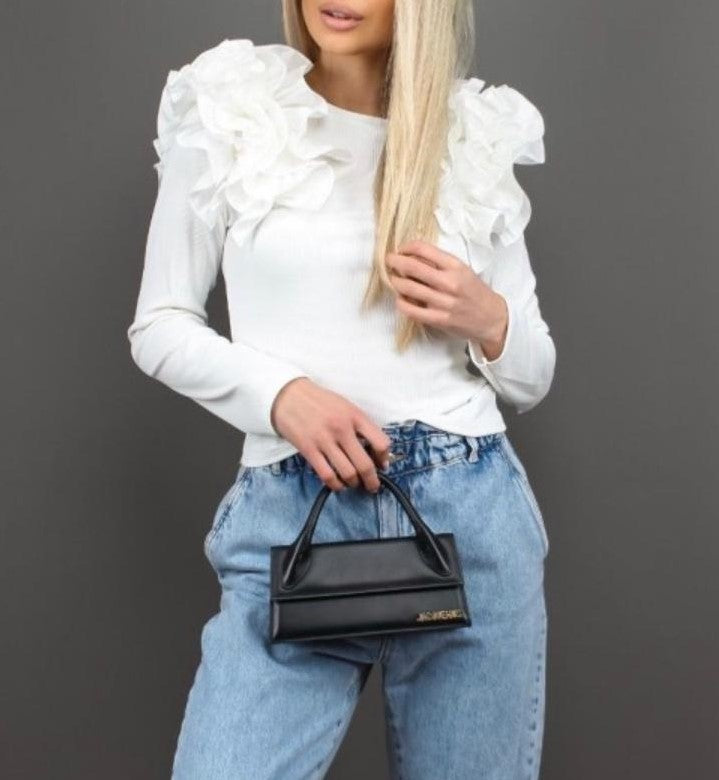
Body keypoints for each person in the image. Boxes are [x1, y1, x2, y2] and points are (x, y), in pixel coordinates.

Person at [126, 0, 556, 777]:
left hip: (470, 512)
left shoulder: (470, 136)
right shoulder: (234, 109)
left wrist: (486, 316)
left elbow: (531, 376)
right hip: (295, 511)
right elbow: (159, 325)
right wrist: (282, 396)